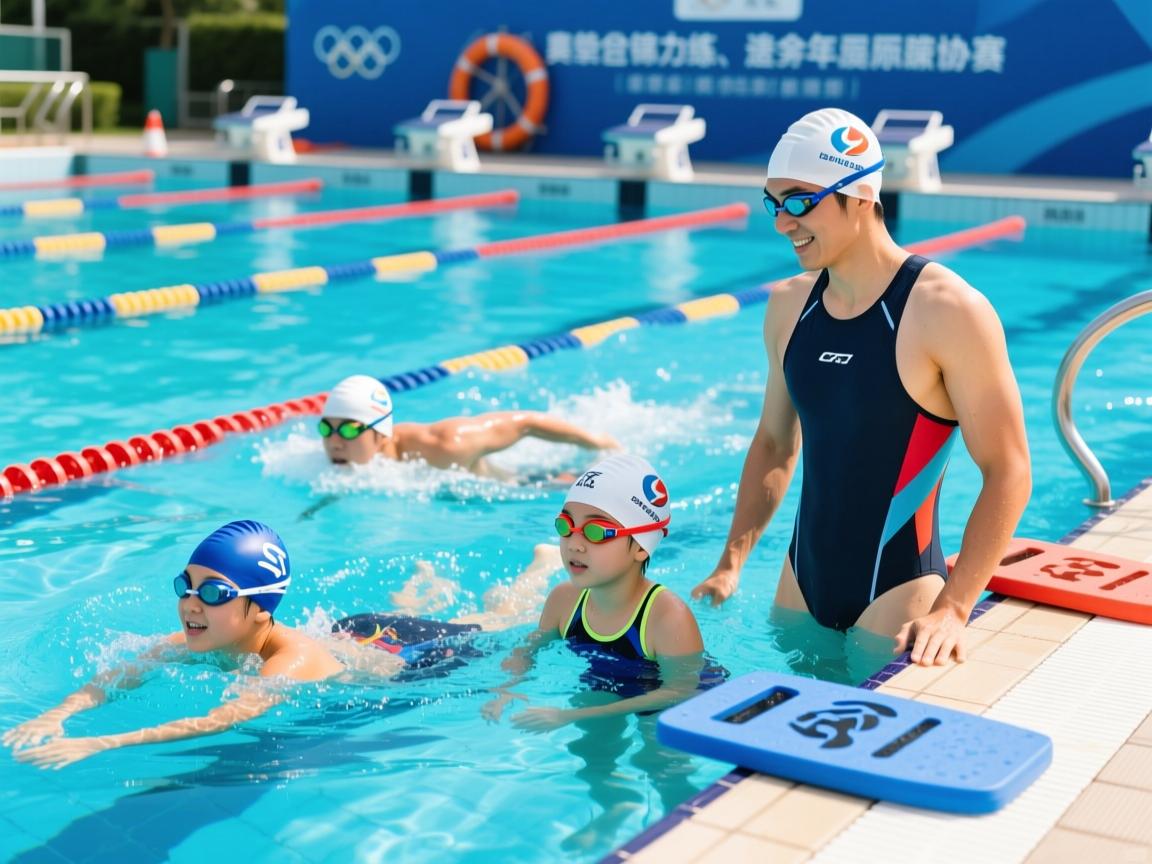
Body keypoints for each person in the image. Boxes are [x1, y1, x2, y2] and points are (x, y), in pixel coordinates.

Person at [690, 107, 1031, 668]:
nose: (782, 222)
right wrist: (731, 563)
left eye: (800, 201)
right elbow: (775, 445)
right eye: (774, 203)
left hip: (899, 595)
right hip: (800, 587)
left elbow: (1010, 468)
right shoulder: (787, 307)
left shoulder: (946, 309)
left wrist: (955, 607)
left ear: (860, 194)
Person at [4, 520, 562, 769]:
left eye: (215, 592)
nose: (192, 604)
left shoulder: (290, 661)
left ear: (259, 607)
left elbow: (226, 718)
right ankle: (424, 590)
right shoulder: (200, 633)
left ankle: (536, 573)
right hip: (354, 630)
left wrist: (100, 745)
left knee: (494, 624)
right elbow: (122, 672)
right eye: (187, 585)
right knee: (464, 614)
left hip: (410, 660)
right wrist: (61, 714)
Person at [483, 454, 712, 731]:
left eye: (596, 532)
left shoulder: (667, 617)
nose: (574, 545)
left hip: (674, 702)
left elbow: (680, 691)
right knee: (592, 757)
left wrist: (570, 716)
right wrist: (507, 690)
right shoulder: (563, 601)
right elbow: (528, 649)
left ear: (641, 546)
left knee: (658, 761)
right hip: (602, 682)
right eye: (566, 526)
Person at [317, 374, 619, 477]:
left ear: (381, 434)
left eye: (349, 429)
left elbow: (526, 423)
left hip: (511, 484)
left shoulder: (446, 444)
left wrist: (596, 442)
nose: (334, 442)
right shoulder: (321, 462)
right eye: (326, 428)